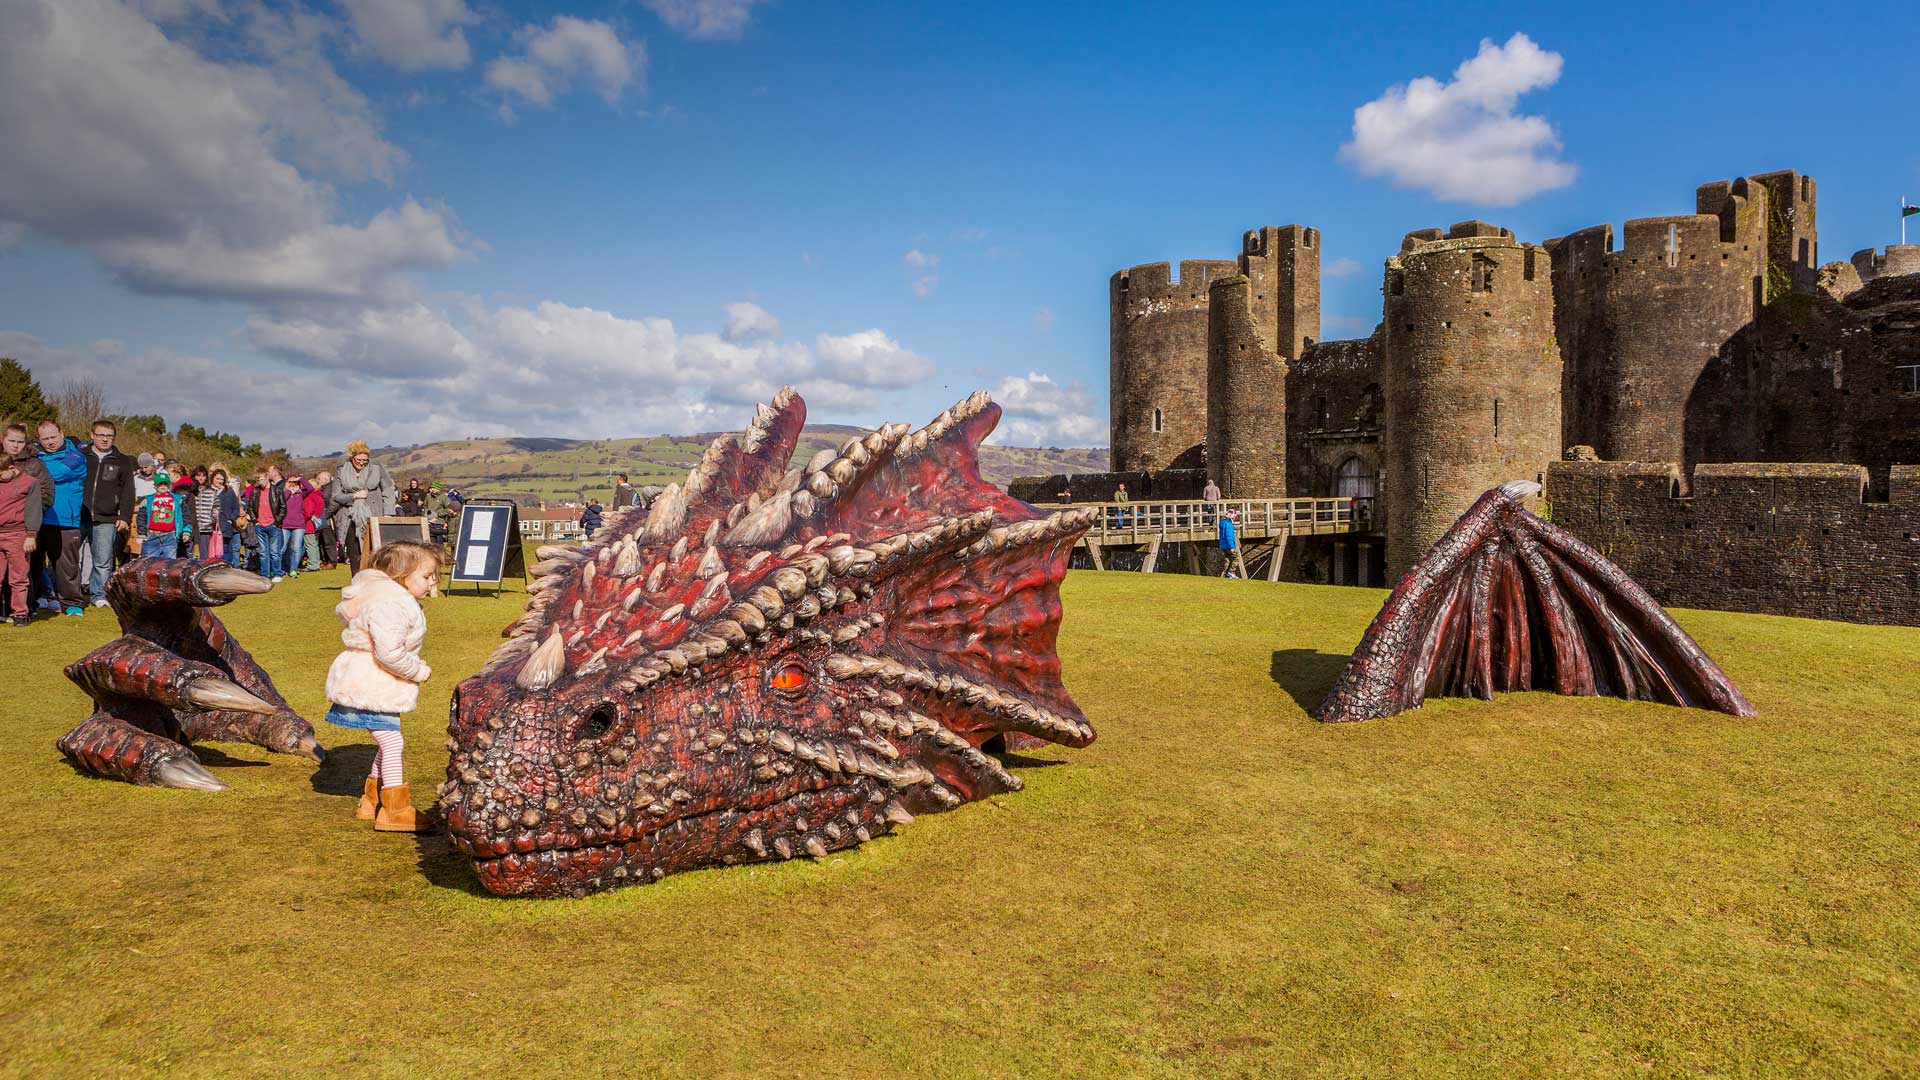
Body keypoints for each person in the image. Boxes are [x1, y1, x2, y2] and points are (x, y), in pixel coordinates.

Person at [323, 540, 440, 833]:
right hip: (373, 684)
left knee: (387, 739)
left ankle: (371, 800)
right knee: (392, 742)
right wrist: (418, 671)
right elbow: (389, 653)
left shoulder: (391, 599)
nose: (432, 582)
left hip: (372, 681)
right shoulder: (392, 603)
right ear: (402, 576)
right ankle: (395, 810)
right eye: (426, 576)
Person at [33, 420, 88, 616]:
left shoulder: (76, 457)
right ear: (38, 439)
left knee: (67, 566)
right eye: (45, 438)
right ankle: (36, 598)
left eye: (53, 437)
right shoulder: (35, 458)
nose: (50, 442)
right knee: (33, 564)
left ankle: (72, 602)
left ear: (62, 434)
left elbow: (58, 473)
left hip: (65, 521)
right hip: (36, 519)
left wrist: (31, 469)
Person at [0, 424, 47, 626]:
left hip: (18, 533)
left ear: (11, 469)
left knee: (19, 576)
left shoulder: (30, 481)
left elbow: (34, 509)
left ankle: (20, 612)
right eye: (12, 440)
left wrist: (31, 534)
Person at [328, 441, 395, 572]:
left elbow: (388, 489)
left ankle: (376, 583)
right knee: (355, 555)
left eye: (365, 459)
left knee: (375, 552)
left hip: (373, 515)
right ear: (351, 457)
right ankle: (357, 584)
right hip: (349, 516)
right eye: (358, 459)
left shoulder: (376, 467)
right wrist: (354, 496)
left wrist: (388, 513)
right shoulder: (341, 470)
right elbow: (336, 496)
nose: (362, 462)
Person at [248, 466, 287, 580]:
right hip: (260, 526)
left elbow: (283, 508)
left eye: (261, 479)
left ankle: (277, 573)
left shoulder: (277, 490)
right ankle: (265, 575)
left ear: (267, 477)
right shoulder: (255, 491)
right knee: (263, 553)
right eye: (257, 480)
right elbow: (250, 508)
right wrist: (255, 521)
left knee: (275, 552)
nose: (259, 482)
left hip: (273, 525)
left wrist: (276, 522)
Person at [139, 473, 185, 559]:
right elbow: (141, 517)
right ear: (155, 486)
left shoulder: (178, 499)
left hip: (170, 536)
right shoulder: (147, 500)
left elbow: (186, 516)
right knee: (150, 564)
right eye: (160, 484)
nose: (163, 486)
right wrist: (141, 533)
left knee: (170, 565)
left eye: (165, 484)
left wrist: (186, 531)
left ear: (169, 485)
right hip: (152, 536)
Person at [279, 470, 314, 579]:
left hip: (299, 525)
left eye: (295, 483)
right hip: (285, 524)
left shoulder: (301, 493)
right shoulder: (283, 492)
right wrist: (289, 490)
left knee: (296, 548)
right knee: (282, 548)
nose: (293, 484)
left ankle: (293, 570)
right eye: (290, 482)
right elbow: (282, 500)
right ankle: (278, 569)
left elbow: (310, 488)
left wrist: (300, 479)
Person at [189, 466, 223, 561]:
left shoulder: (211, 491)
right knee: (188, 554)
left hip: (205, 527)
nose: (201, 478)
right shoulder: (190, 491)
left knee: (204, 555)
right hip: (191, 527)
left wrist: (211, 520)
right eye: (198, 475)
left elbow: (216, 507)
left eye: (203, 476)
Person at [305, 471, 335, 571]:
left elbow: (332, 504)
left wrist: (325, 515)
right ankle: (324, 561)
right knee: (321, 542)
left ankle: (329, 562)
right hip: (321, 519)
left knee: (326, 542)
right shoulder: (321, 492)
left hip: (321, 520)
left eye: (319, 479)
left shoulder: (328, 490)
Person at [1219, 508, 1240, 578]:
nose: (1235, 518)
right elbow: (1229, 536)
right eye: (1234, 516)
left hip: (1223, 545)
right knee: (1236, 557)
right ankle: (1231, 572)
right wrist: (1232, 547)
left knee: (1227, 559)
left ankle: (1224, 574)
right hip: (1228, 545)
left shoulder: (1223, 523)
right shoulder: (1228, 524)